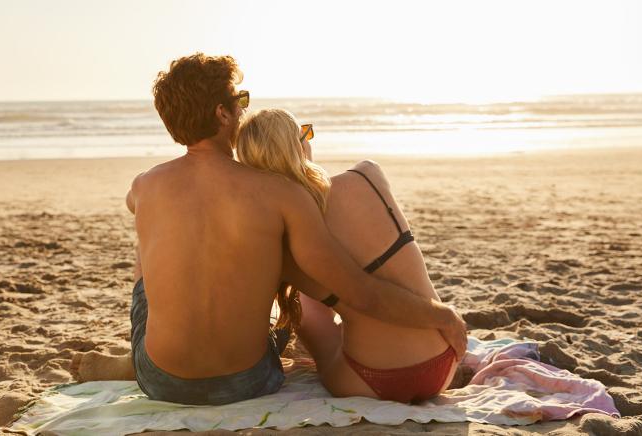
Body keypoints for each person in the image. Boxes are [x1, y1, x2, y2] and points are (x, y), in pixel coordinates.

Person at [69, 53, 467, 406]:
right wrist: (444, 317)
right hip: (249, 382)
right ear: (222, 115)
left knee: (147, 248)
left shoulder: (143, 187)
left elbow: (140, 208)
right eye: (240, 102)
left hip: (162, 382)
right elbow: (362, 294)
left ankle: (133, 362)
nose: (243, 110)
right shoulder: (280, 194)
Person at [236, 108, 460, 403]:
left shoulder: (283, 237)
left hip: (368, 379)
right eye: (305, 133)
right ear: (299, 144)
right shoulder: (368, 174)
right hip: (444, 362)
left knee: (302, 299)